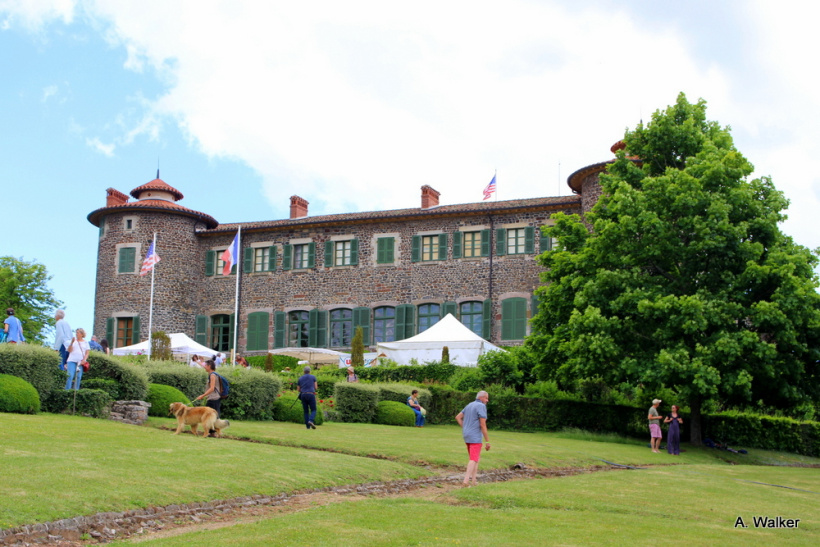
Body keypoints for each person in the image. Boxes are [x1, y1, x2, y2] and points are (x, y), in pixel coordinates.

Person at [455, 390, 490, 487]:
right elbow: (483, 425)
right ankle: (466, 481)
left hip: (467, 435)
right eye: (486, 398)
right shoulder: (481, 406)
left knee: (476, 458)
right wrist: (487, 441)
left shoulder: (469, 405)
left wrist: (465, 427)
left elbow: (458, 417)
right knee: (473, 458)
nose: (487, 400)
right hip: (475, 436)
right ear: (481, 398)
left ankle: (474, 481)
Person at [194, 360, 222, 437]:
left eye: (205, 366)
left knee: (211, 416)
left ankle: (214, 432)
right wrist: (197, 361)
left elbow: (212, 388)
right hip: (212, 398)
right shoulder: (212, 374)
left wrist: (202, 395)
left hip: (214, 398)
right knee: (212, 416)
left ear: (209, 366)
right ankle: (212, 432)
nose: (204, 367)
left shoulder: (212, 375)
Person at [297, 365, 318, 430]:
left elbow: (298, 389)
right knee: (313, 410)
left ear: (304, 371)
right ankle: (310, 421)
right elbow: (316, 387)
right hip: (311, 394)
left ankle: (308, 427)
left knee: (306, 411)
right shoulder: (313, 377)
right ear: (309, 371)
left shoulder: (300, 378)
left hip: (303, 395)